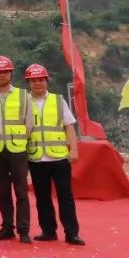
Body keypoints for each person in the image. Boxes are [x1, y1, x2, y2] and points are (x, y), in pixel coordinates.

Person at [25, 64, 84, 245]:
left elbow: (69, 127)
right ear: (29, 83)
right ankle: (48, 231)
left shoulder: (58, 101)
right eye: (34, 81)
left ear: (46, 81)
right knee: (42, 198)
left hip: (58, 157)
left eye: (41, 80)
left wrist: (73, 150)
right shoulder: (24, 102)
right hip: (36, 157)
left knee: (65, 196)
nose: (38, 84)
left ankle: (72, 233)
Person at [0, 55, 33, 243]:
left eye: (5, 72)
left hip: (17, 151)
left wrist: (19, 140)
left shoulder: (23, 95)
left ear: (11, 73)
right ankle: (7, 228)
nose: (2, 75)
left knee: (21, 192)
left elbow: (29, 124)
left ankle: (23, 230)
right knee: (3, 192)